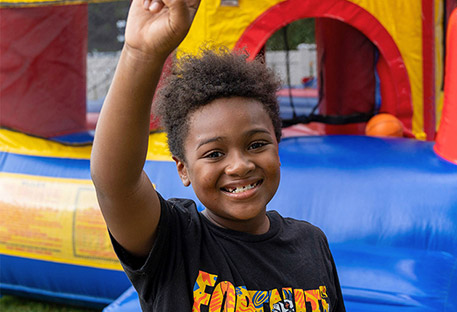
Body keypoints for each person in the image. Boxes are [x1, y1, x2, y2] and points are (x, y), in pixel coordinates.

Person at [90, 0, 346, 311]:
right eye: (214, 153)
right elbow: (115, 182)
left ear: (277, 148)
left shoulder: (311, 242)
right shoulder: (174, 243)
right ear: (183, 170)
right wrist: (141, 53)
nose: (239, 165)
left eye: (256, 144)